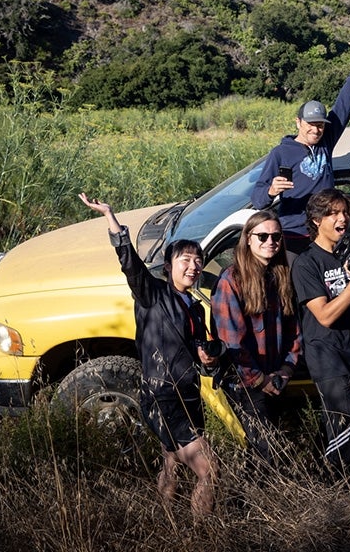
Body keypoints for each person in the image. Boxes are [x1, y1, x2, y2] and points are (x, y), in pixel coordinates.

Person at [78, 193, 217, 517]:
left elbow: (195, 352)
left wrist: (207, 358)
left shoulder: (195, 308)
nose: (194, 266)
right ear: (168, 267)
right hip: (163, 395)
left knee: (171, 461)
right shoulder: (152, 295)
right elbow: (130, 263)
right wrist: (111, 217)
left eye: (198, 261)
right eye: (186, 260)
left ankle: (166, 523)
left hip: (188, 394)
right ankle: (204, 537)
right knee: (209, 470)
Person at [291, 189, 350, 468]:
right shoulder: (307, 263)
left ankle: (324, 472)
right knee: (347, 422)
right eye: (333, 213)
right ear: (316, 220)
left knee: (338, 422)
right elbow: (324, 316)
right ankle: (335, 481)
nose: (342, 218)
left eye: (345, 212)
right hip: (326, 355)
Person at [251, 33, 350, 262]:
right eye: (310, 125)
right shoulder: (281, 153)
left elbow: (344, 105)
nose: (316, 130)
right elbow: (257, 199)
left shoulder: (325, 142)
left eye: (320, 126)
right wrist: (271, 191)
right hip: (294, 236)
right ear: (298, 122)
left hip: (325, 233)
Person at [211, 210, 302, 464]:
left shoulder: (281, 275)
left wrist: (286, 369)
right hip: (245, 383)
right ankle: (252, 502)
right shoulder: (232, 280)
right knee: (269, 452)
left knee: (270, 450)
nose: (270, 241)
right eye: (262, 236)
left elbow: (294, 329)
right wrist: (260, 380)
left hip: (275, 378)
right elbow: (231, 342)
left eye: (275, 236)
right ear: (248, 239)